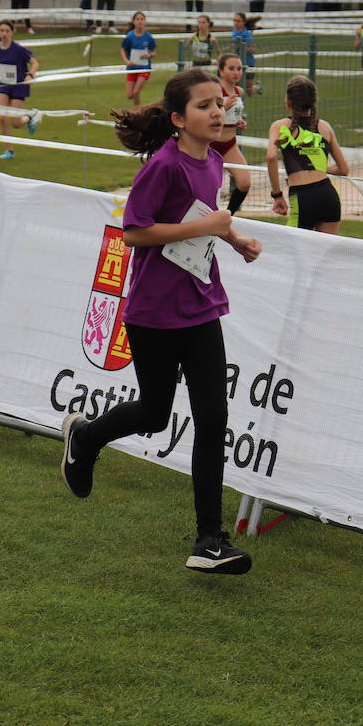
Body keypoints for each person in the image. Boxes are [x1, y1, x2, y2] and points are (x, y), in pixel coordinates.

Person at [59, 69, 263, 576]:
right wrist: (211, 227)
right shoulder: (164, 166)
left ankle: (209, 541)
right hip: (153, 313)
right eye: (203, 106)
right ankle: (85, 437)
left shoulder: (214, 162)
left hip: (201, 306)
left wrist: (236, 243)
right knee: (155, 413)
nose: (217, 112)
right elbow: (133, 233)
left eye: (219, 103)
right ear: (177, 119)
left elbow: (205, 221)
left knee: (213, 419)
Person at [264, 75, 350, 234]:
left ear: (288, 102)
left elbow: (270, 157)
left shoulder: (280, 126)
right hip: (328, 195)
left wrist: (277, 195)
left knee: (292, 255)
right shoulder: (325, 126)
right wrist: (318, 168)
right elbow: (343, 169)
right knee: (325, 256)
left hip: (303, 197)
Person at [0, 20, 41, 160]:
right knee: (2, 117)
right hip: (2, 86)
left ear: (12, 32)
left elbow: (34, 63)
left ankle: (30, 117)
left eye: (7, 31)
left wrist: (30, 75)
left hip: (18, 87)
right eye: (1, 31)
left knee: (15, 123)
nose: (4, 34)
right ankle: (9, 151)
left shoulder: (19, 49)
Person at [211, 53, 254, 212]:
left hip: (230, 144)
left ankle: (229, 216)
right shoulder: (215, 91)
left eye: (239, 69)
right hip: (210, 144)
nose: (236, 72)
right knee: (211, 188)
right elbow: (207, 115)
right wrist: (223, 107)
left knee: (244, 182)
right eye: (231, 68)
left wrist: (239, 121)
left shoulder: (239, 91)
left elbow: (233, 116)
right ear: (221, 71)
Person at [122, 11, 157, 107]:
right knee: (129, 95)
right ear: (133, 22)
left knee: (136, 91)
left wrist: (149, 55)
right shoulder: (129, 36)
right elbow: (123, 49)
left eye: (142, 19)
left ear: (145, 21)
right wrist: (126, 61)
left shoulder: (148, 37)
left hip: (144, 67)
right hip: (132, 67)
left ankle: (137, 113)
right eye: (137, 19)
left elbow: (154, 51)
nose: (140, 21)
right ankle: (143, 107)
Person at [229, 11, 259, 94]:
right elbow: (233, 46)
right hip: (237, 64)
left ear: (243, 22)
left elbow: (253, 49)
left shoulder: (246, 34)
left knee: (249, 91)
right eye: (234, 20)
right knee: (235, 86)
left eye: (238, 21)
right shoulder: (234, 31)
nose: (235, 23)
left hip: (248, 63)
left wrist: (242, 48)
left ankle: (258, 87)